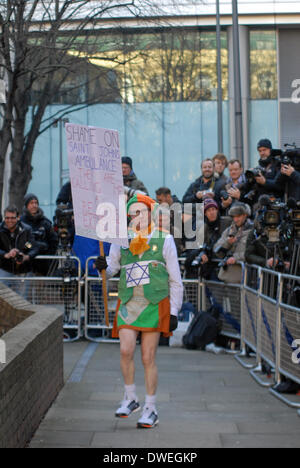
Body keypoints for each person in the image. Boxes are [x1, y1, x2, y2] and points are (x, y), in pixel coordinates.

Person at [95, 194, 183, 429]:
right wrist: (102, 267)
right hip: (128, 303)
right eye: (132, 213)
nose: (137, 217)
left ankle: (151, 408)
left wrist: (174, 311)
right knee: (125, 350)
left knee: (148, 357)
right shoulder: (120, 240)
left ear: (150, 214)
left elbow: (176, 280)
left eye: (141, 212)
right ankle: (131, 397)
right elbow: (112, 269)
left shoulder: (164, 239)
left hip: (155, 304)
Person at [184, 198, 231, 279]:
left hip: (226, 261)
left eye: (213, 209)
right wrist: (203, 254)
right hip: (211, 264)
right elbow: (200, 245)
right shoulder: (204, 227)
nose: (212, 212)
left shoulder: (227, 222)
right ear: (205, 214)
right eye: (208, 210)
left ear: (217, 210)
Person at [0, 205, 39, 297]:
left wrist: (26, 256)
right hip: (4, 268)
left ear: (18, 217)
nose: (9, 220)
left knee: (22, 300)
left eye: (12, 218)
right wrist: (6, 254)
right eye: (7, 218)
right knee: (3, 299)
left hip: (23, 270)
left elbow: (33, 247)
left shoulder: (27, 229)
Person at [214, 202, 253, 283]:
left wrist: (236, 258)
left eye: (238, 216)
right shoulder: (228, 230)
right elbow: (216, 250)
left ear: (245, 215)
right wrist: (227, 243)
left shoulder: (253, 231)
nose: (235, 219)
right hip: (224, 278)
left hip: (243, 281)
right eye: (233, 217)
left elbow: (254, 254)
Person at [21, 193, 58, 274]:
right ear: (26, 205)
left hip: (44, 264)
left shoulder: (45, 222)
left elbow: (53, 241)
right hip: (27, 265)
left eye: (36, 203)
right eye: (31, 203)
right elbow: (22, 242)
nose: (34, 205)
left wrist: (49, 255)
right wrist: (34, 246)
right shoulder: (21, 222)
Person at [155, 187, 184, 256]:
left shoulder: (180, 210)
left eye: (160, 200)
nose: (158, 202)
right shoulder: (158, 210)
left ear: (168, 197)